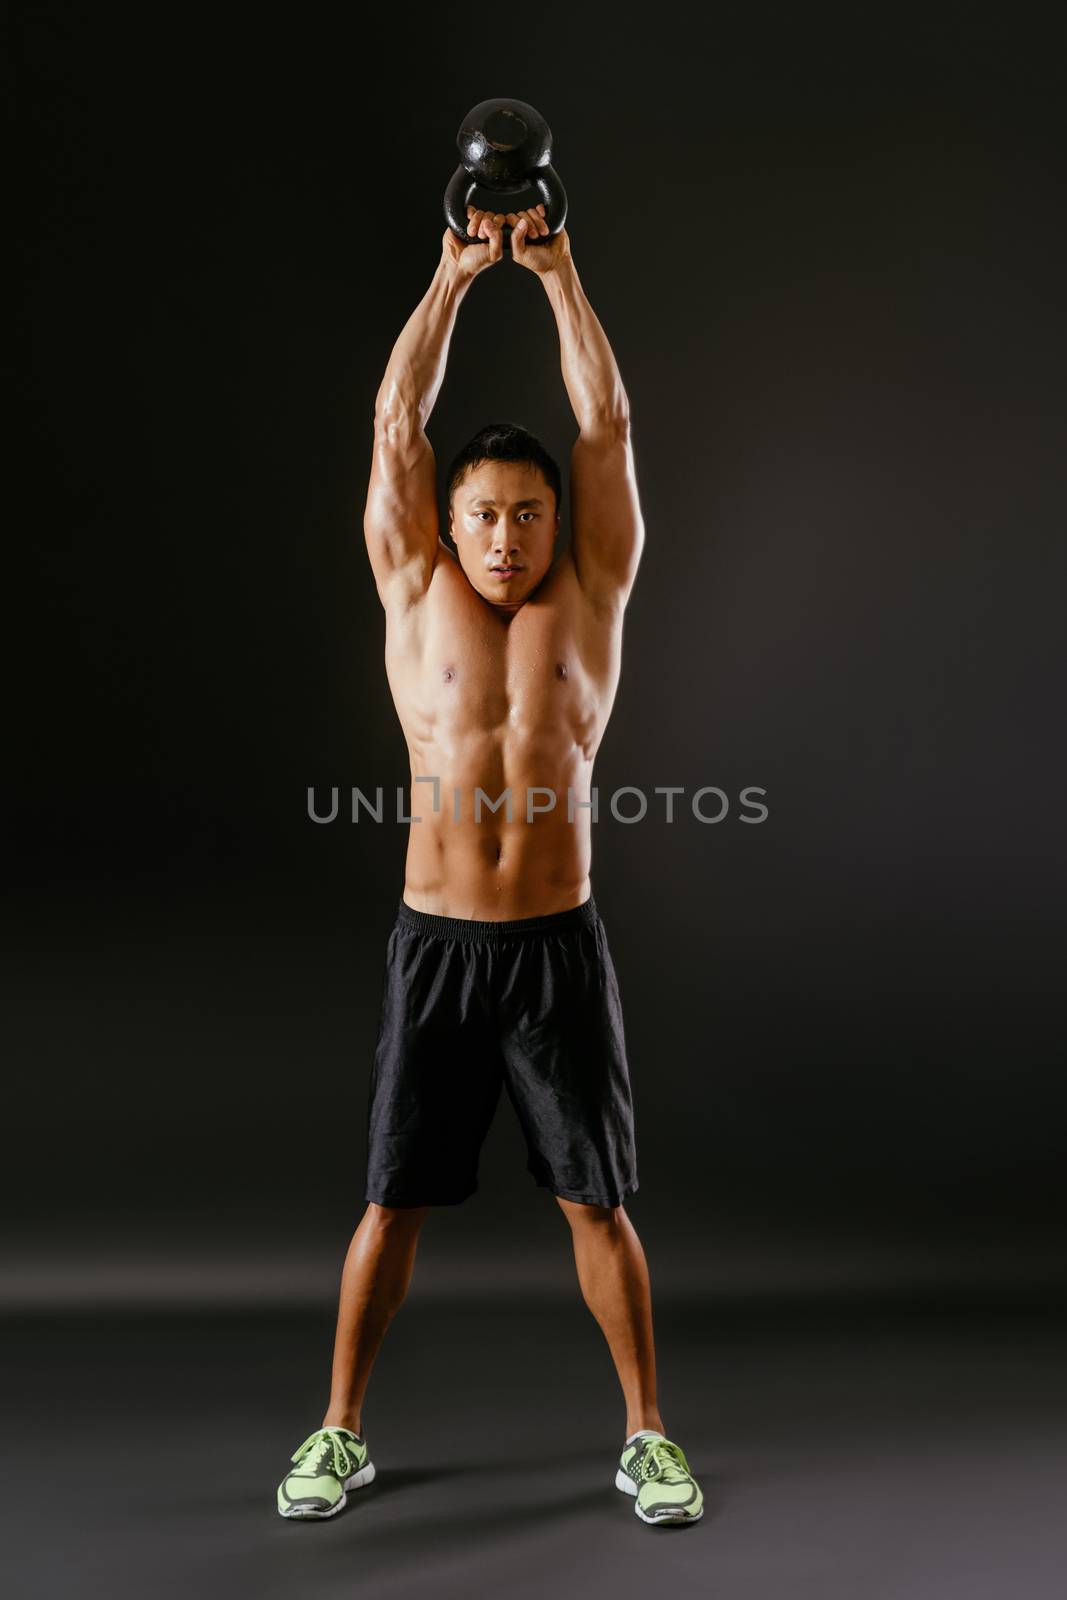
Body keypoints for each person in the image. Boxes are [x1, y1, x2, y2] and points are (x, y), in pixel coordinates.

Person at [276, 205, 703, 1528]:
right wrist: (455, 277)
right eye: (485, 515)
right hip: (438, 947)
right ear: (448, 524)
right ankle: (336, 1430)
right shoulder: (415, 595)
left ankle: (647, 1436)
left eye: (527, 514)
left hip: (556, 948)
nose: (508, 537)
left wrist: (561, 274)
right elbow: (395, 426)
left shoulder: (593, 594)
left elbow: (611, 431)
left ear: (555, 522)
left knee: (599, 1204)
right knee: (391, 1205)